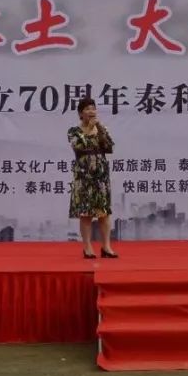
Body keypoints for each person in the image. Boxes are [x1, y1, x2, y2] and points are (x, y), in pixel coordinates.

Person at [68, 97, 118, 259]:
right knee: (86, 214)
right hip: (84, 176)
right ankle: (87, 248)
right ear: (81, 113)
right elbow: (78, 146)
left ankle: (106, 247)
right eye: (87, 108)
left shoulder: (102, 128)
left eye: (93, 108)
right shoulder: (74, 131)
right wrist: (89, 130)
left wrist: (100, 130)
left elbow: (109, 147)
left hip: (101, 176)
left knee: (104, 213)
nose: (91, 111)